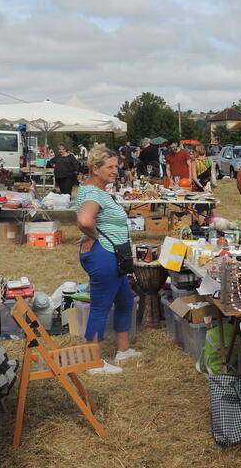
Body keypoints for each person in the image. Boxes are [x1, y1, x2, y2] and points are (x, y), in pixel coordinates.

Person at [76, 145, 140, 374]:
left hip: (115, 255)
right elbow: (84, 220)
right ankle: (93, 362)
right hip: (104, 255)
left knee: (124, 301)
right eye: (110, 167)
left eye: (117, 166)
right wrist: (93, 235)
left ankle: (123, 351)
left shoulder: (99, 190)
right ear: (95, 169)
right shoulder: (93, 193)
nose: (116, 171)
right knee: (100, 307)